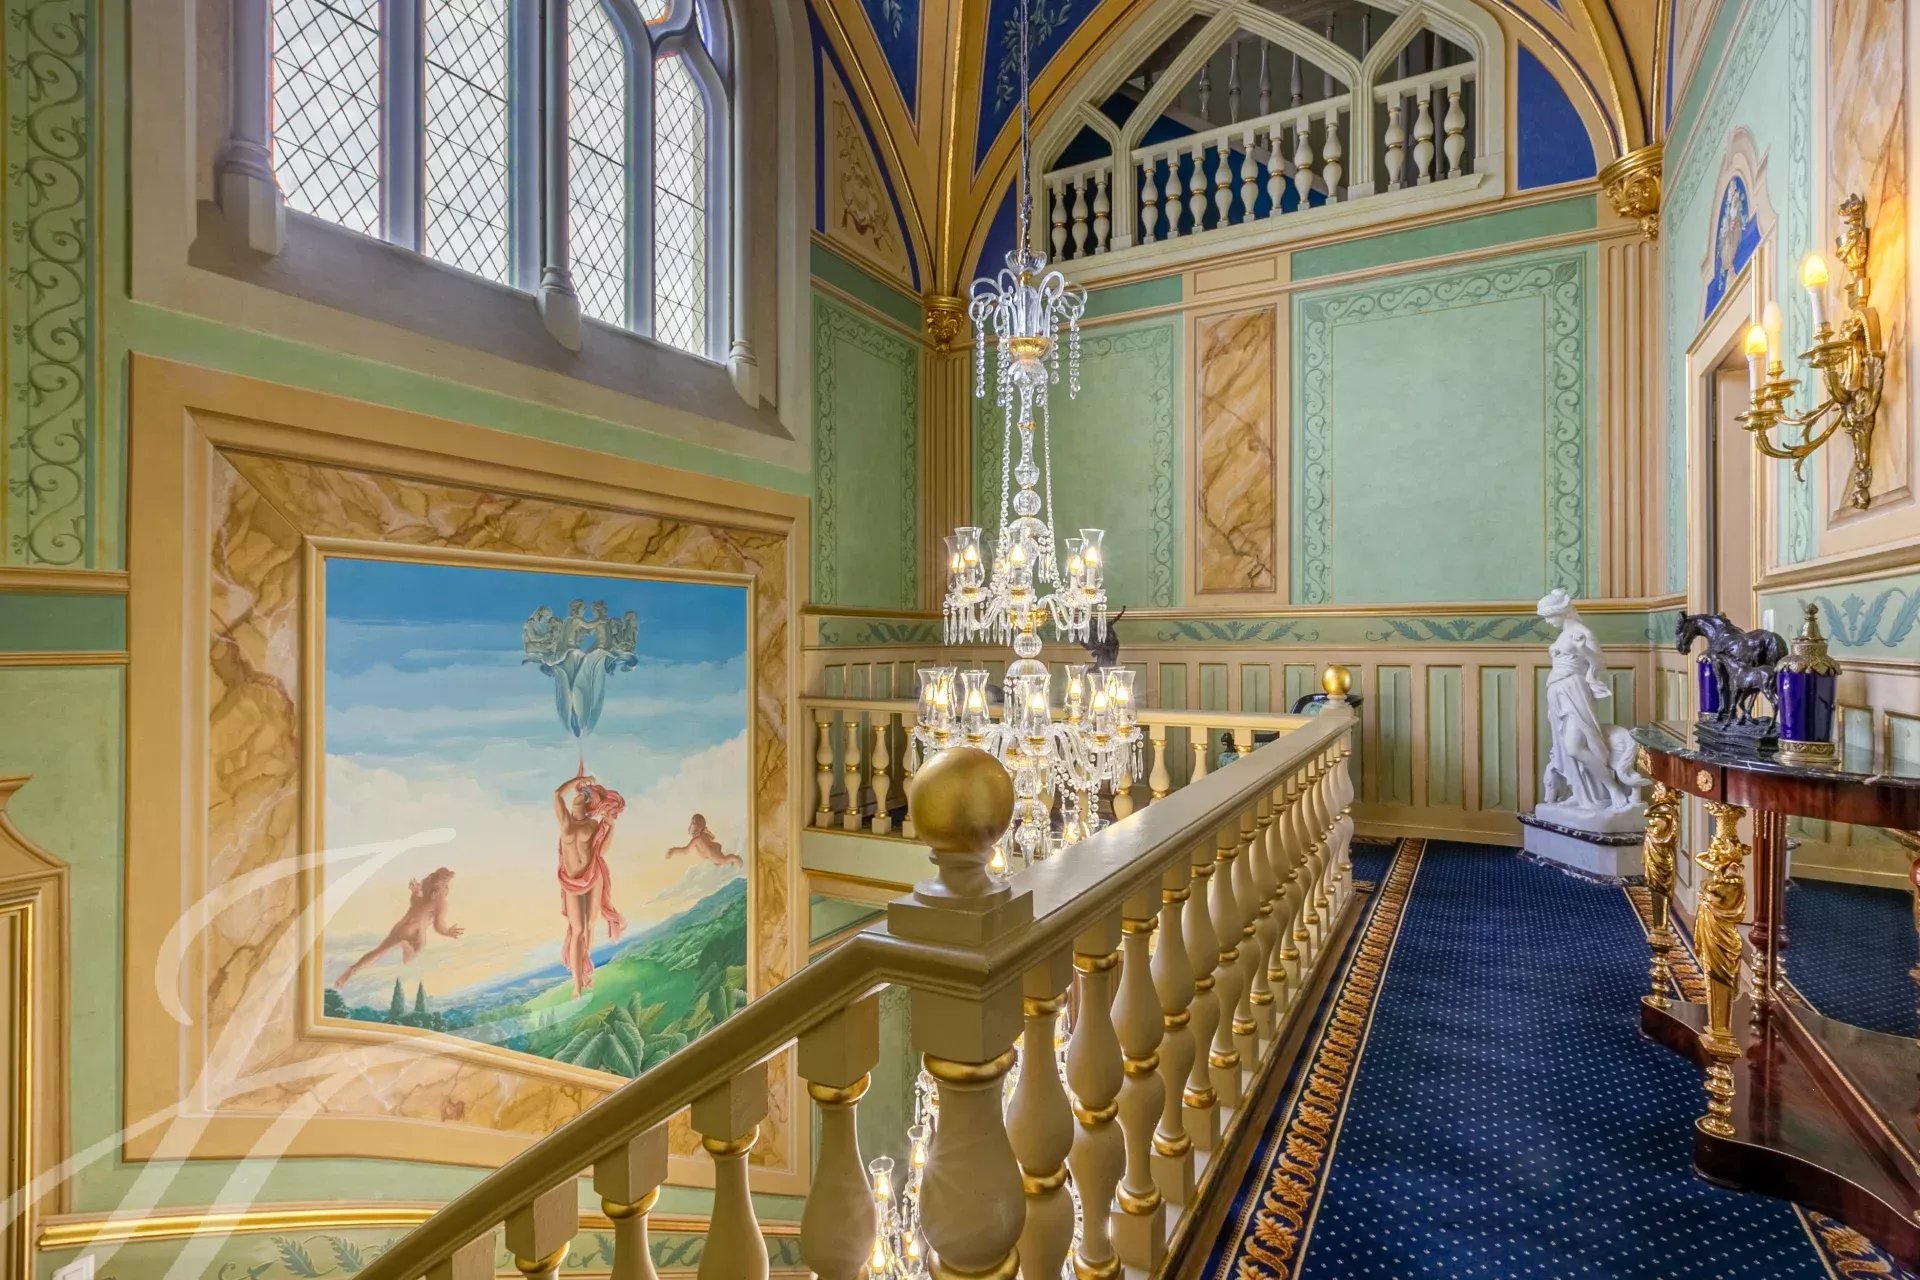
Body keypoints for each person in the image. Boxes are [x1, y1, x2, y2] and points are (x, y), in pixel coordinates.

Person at [554, 764, 626, 995]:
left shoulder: (592, 825)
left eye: (583, 795)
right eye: (579, 793)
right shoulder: (565, 822)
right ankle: (577, 983)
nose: (578, 796)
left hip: (592, 876)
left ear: (588, 803)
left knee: (588, 928)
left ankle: (585, 976)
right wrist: (578, 781)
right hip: (570, 881)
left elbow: (600, 850)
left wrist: (610, 826)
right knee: (577, 930)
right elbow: (557, 794)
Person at [666, 814, 743, 868]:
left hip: (712, 854)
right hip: (714, 848)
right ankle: (731, 863)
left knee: (723, 860)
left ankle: (736, 858)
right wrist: (708, 832)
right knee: (719, 864)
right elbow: (713, 838)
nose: (689, 826)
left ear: (696, 829)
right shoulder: (704, 834)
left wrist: (673, 850)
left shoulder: (696, 839)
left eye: (692, 823)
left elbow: (685, 851)